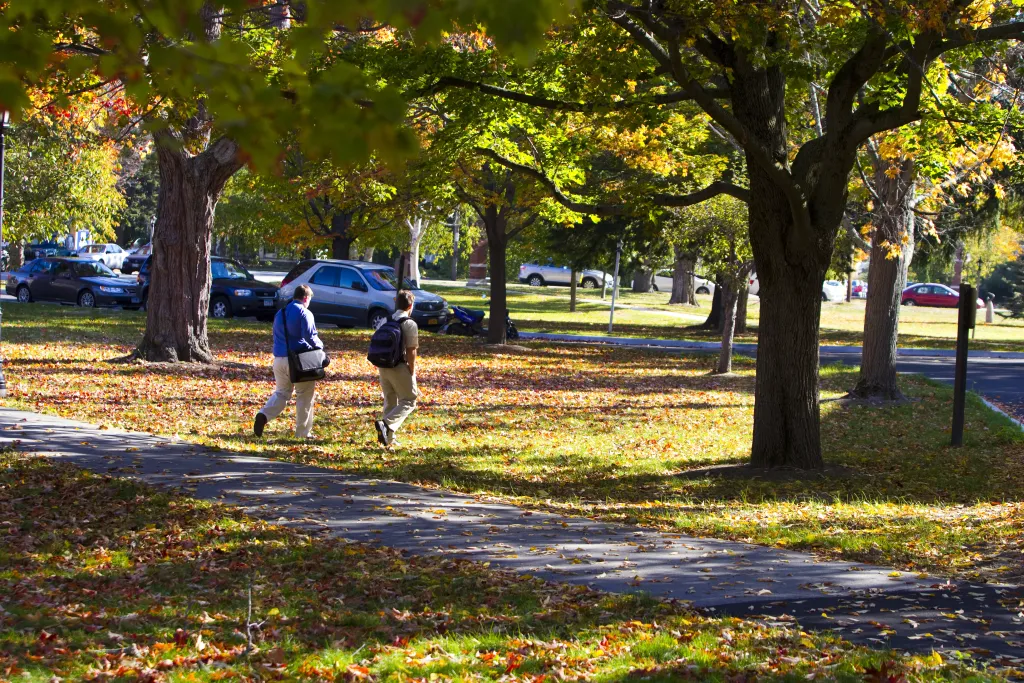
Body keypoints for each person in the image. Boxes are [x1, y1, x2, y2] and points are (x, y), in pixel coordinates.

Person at [255, 284, 323, 439]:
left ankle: (263, 415)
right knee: (304, 395)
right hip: (299, 361)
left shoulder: (281, 313)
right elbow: (310, 337)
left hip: (279, 359)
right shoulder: (305, 313)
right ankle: (303, 433)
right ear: (306, 298)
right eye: (309, 299)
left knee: (281, 393)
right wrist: (321, 348)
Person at [374, 290, 420, 447]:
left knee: (390, 399)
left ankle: (389, 439)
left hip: (383, 365)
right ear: (410, 306)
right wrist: (412, 369)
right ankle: (386, 424)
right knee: (409, 400)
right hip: (399, 366)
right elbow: (411, 349)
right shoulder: (409, 324)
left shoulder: (385, 321)